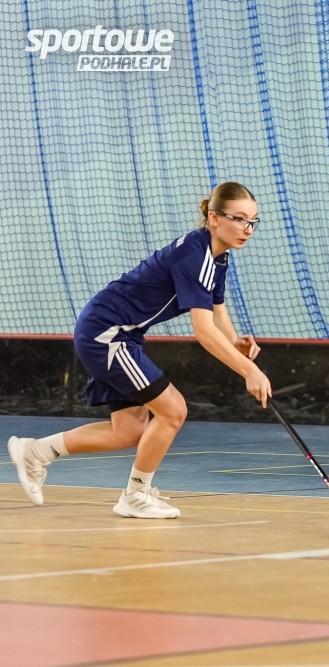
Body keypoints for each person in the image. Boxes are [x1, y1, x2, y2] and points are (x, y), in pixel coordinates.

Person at [7, 181, 272, 519]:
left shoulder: (217, 257)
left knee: (128, 431)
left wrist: (234, 343)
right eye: (239, 219)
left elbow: (217, 311)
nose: (247, 229)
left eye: (252, 221)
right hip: (107, 333)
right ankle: (136, 494)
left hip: (120, 334)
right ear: (214, 218)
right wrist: (249, 370)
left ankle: (36, 452)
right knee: (173, 411)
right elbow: (204, 332)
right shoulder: (196, 256)